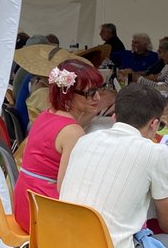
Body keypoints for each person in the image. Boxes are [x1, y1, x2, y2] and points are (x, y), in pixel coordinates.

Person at [60, 80, 168, 248]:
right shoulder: (155, 152)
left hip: (63, 247)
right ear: (154, 124)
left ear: (114, 117)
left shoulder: (85, 140)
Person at [12, 58, 104, 232]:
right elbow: (67, 189)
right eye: (90, 93)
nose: (98, 97)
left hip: (25, 203)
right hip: (43, 213)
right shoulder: (73, 133)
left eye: (99, 90)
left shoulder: (48, 114)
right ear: (68, 93)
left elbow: (70, 126)